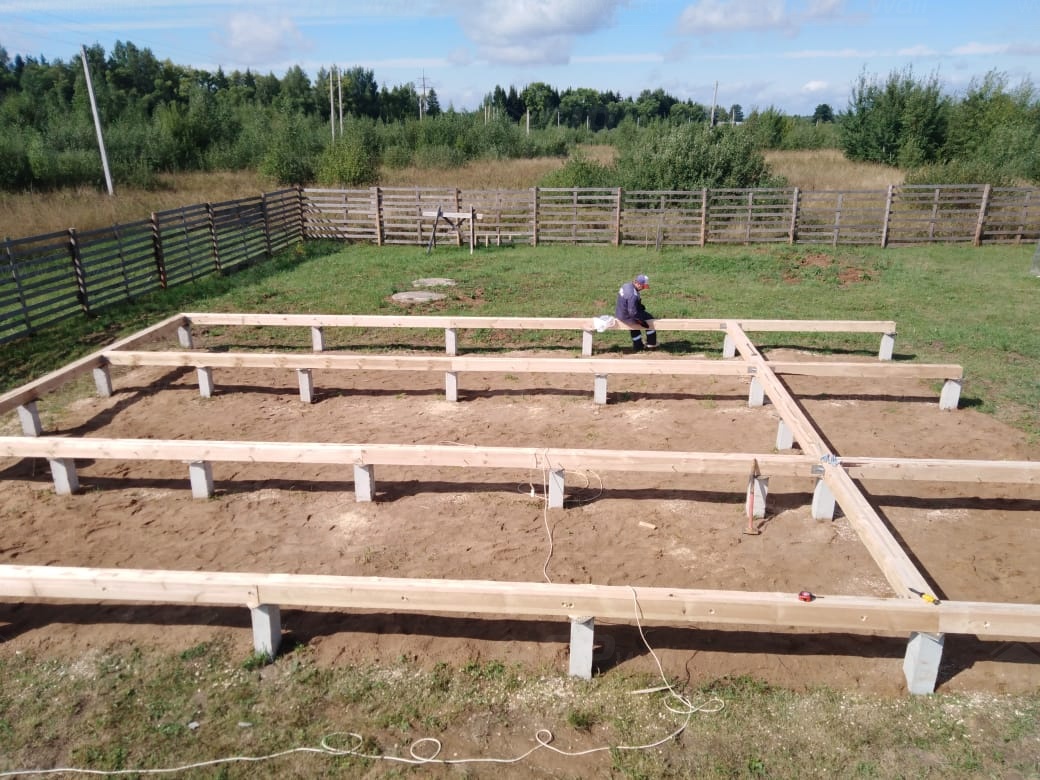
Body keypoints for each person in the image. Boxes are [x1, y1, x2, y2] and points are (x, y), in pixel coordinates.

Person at [615, 273, 657, 352]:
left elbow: (627, 302)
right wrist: (641, 322)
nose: (643, 288)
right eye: (643, 287)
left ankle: (638, 347)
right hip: (627, 316)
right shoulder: (633, 295)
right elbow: (632, 313)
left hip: (620, 313)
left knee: (635, 326)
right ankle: (651, 344)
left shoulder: (626, 285)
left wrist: (638, 306)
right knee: (650, 320)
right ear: (638, 284)